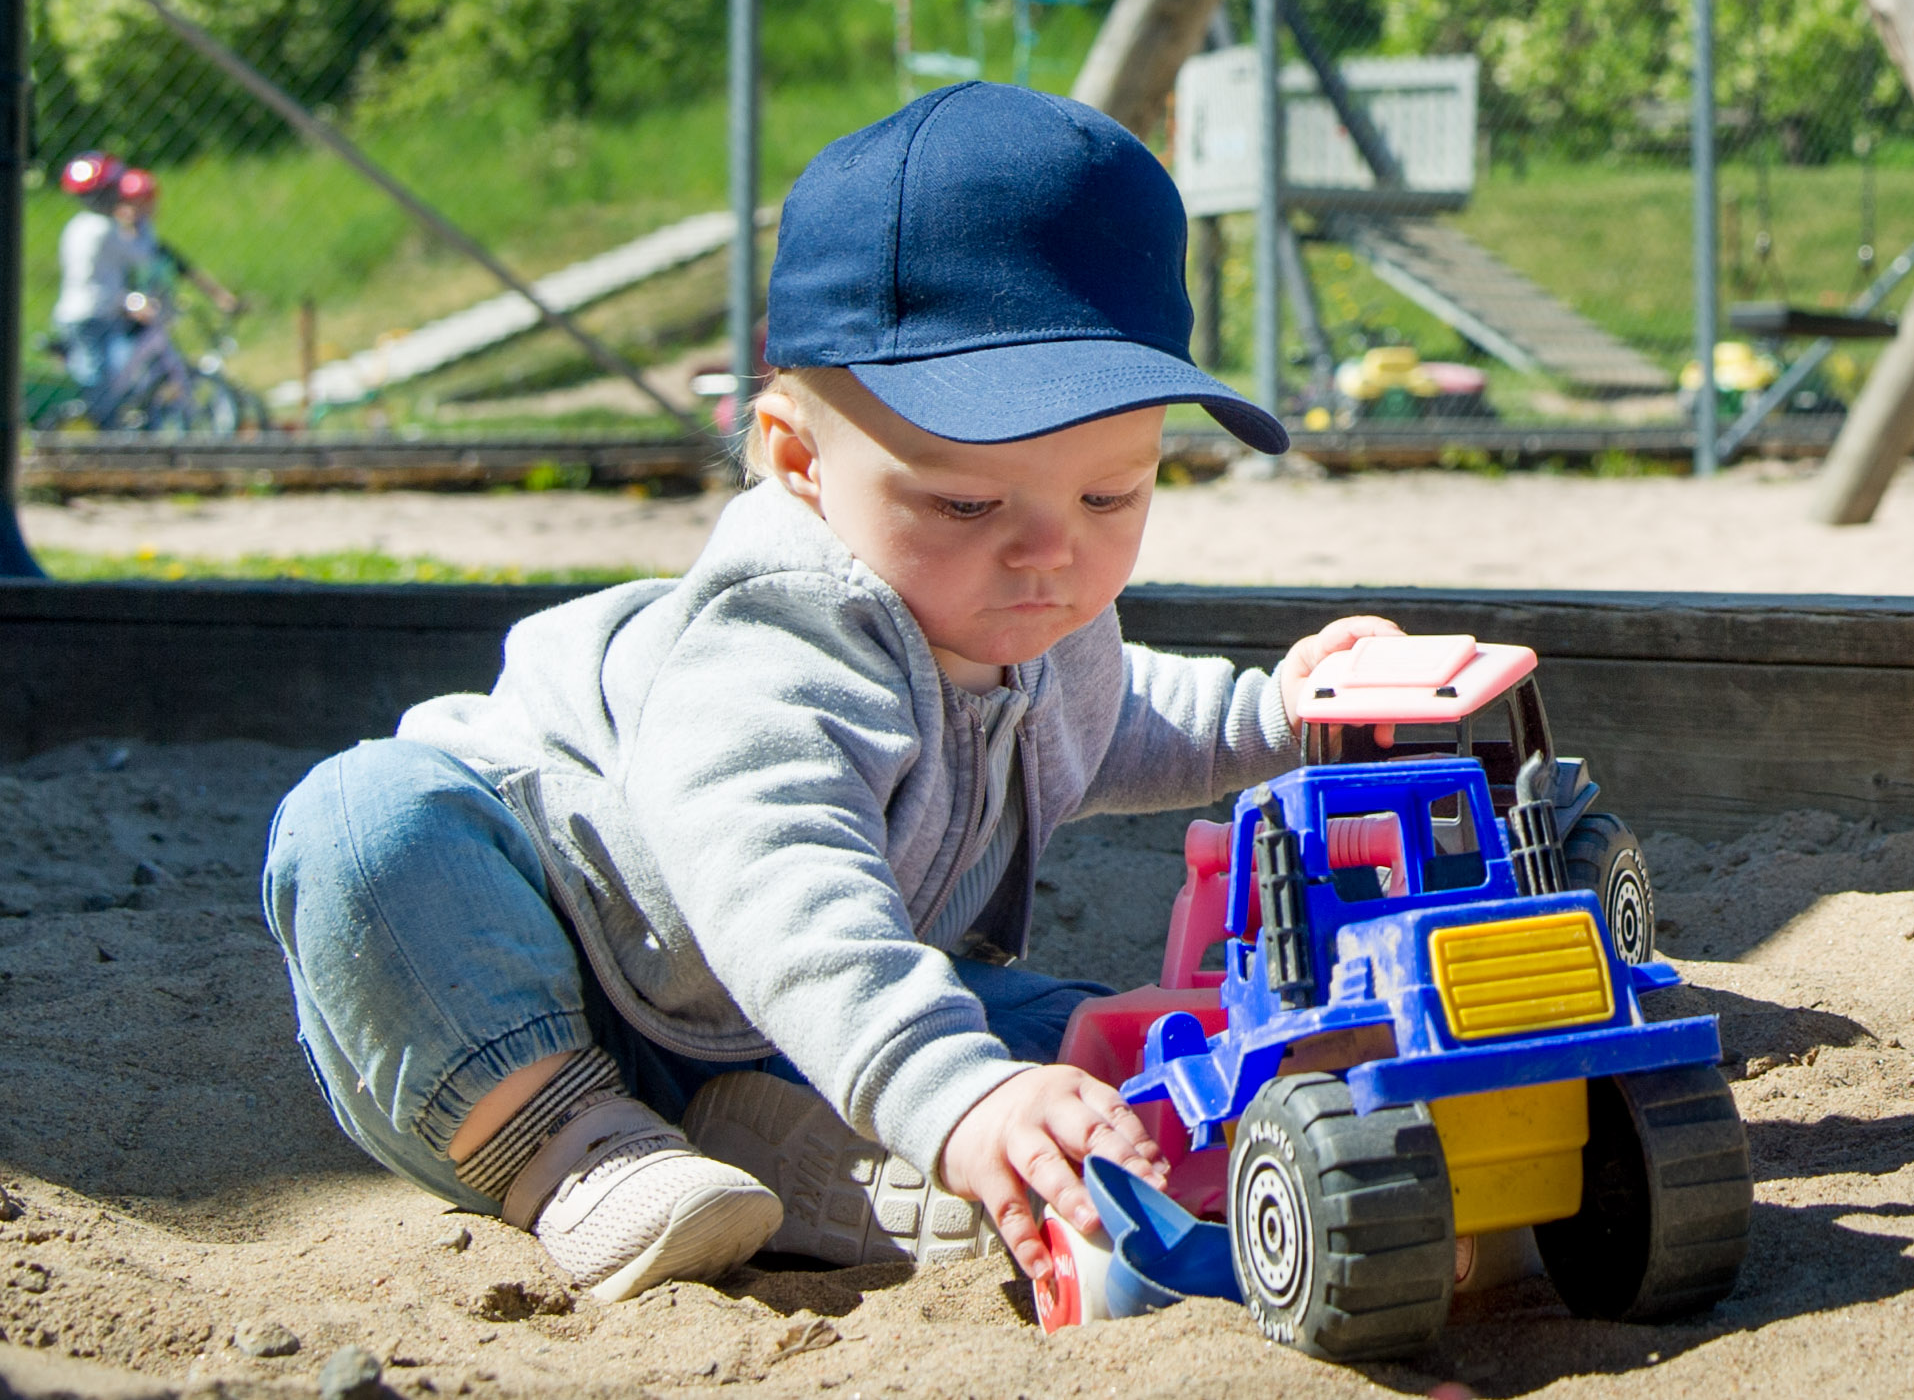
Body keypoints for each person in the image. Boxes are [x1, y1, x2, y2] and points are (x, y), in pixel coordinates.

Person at [260, 82, 1383, 1310]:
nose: (1047, 553)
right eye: (965, 502)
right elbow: (781, 880)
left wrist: (1279, 715)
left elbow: (1110, 718)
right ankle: (573, 1151)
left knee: (1076, 1037)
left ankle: (787, 1144)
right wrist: (952, 1090)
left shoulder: (1029, 608)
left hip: (788, 1008)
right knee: (365, 825)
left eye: (1110, 497)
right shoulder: (771, 638)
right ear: (800, 459)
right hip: (561, 965)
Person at [48, 151, 133, 399]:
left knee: (97, 371)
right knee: (99, 378)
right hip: (93, 312)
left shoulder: (78, 225)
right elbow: (141, 254)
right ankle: (99, 429)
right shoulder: (104, 228)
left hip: (79, 309)